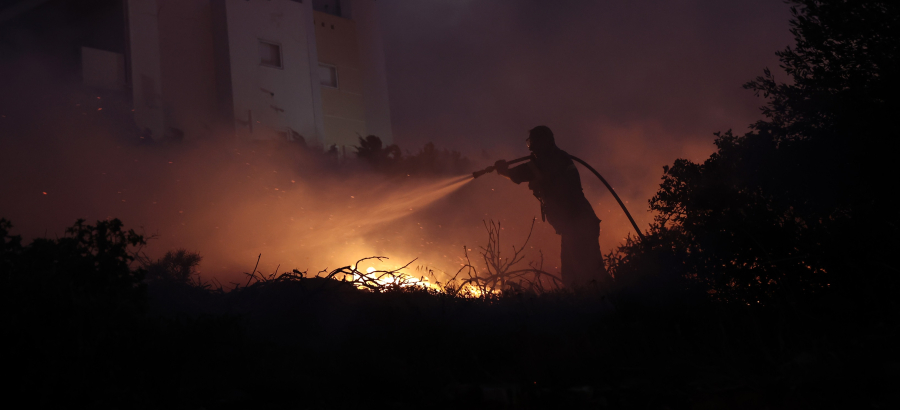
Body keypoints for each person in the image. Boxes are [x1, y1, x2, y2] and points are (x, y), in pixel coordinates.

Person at [494, 126, 609, 288]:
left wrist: (502, 170)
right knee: (573, 275)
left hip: (577, 225)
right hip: (574, 225)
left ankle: (608, 300)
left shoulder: (549, 160)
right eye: (529, 143)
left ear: (542, 142)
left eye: (533, 143)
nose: (531, 148)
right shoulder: (557, 157)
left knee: (588, 274)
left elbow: (520, 174)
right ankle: (592, 298)